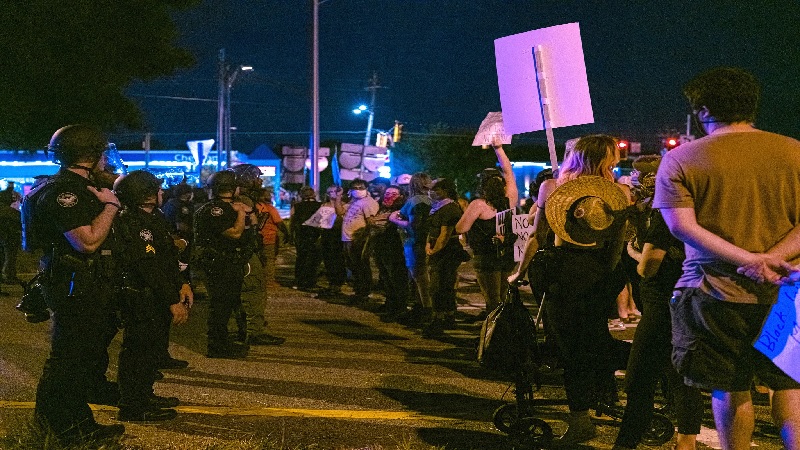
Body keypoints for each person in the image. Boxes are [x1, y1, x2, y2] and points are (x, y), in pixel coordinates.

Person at [654, 66, 800, 450]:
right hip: (787, 289)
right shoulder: (795, 151)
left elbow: (682, 227)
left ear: (703, 110)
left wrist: (749, 260)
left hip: (713, 290)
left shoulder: (681, 159)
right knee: (790, 385)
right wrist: (770, 259)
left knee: (731, 387)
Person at [508, 134, 631, 446]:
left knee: (570, 347)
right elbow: (616, 245)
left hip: (563, 273)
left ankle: (580, 419)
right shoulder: (619, 193)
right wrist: (607, 276)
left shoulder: (552, 187)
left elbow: (536, 236)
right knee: (594, 337)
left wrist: (520, 272)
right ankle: (609, 392)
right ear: (603, 160)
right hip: (601, 273)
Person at [24, 124, 125, 444]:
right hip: (73, 283)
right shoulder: (66, 192)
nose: (105, 160)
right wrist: (111, 205)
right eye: (101, 153)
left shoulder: (71, 186)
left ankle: (75, 422)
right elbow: (87, 241)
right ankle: (63, 429)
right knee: (69, 359)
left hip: (80, 282)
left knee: (80, 359)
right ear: (90, 155)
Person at [612, 157, 704, 450]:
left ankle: (627, 442)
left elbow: (648, 266)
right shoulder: (691, 209)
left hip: (661, 304)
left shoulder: (665, 213)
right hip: (687, 299)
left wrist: (633, 252)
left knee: (639, 377)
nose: (635, 184)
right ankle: (686, 441)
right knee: (680, 374)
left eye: (641, 179)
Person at [112, 171, 192, 422]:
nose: (161, 192)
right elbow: (148, 267)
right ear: (145, 194)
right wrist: (172, 300)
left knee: (150, 352)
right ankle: (133, 406)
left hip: (154, 296)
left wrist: (182, 284)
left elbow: (166, 257)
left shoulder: (154, 217)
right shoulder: (133, 222)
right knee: (138, 353)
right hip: (141, 296)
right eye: (157, 189)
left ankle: (144, 396)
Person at [456, 138, 519, 317]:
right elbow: (509, 173)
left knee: (492, 300)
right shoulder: (510, 200)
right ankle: (504, 327)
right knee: (503, 297)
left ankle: (495, 331)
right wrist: (498, 148)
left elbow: (460, 228)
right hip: (506, 256)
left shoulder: (478, 205)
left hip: (486, 257)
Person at [193, 170, 252, 358]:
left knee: (227, 304)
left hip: (228, 261)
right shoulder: (216, 210)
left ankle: (223, 342)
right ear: (233, 188)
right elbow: (234, 233)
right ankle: (217, 346)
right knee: (220, 306)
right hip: (219, 262)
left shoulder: (223, 207)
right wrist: (241, 213)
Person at [389, 172, 433, 326]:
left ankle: (423, 311)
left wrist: (393, 219)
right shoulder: (433, 200)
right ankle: (423, 309)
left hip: (415, 243)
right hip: (429, 242)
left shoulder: (414, 201)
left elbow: (414, 225)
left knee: (419, 279)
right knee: (426, 278)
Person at [424, 178, 465, 337]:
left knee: (439, 286)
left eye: (436, 189)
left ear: (446, 191)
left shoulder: (450, 209)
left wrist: (434, 251)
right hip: (438, 250)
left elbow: (445, 235)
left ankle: (440, 319)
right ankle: (447, 316)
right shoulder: (437, 207)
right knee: (443, 284)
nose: (432, 192)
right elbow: (432, 230)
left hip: (447, 252)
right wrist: (428, 244)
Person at [334, 178, 379, 304]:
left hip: (359, 239)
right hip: (348, 238)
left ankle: (364, 292)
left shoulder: (368, 202)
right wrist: (338, 197)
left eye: (361, 188)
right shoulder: (354, 202)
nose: (358, 190)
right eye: (355, 188)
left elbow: (371, 222)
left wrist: (365, 238)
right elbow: (340, 211)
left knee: (361, 265)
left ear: (366, 189)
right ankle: (359, 290)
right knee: (353, 265)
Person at [368, 185, 409, 321]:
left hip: (394, 247)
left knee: (396, 278)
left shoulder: (401, 210)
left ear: (401, 196)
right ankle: (390, 303)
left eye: (393, 194)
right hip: (381, 246)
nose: (389, 196)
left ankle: (399, 308)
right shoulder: (382, 208)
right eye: (387, 193)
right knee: (386, 276)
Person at [315, 185, 347, 299]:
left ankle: (338, 284)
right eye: (330, 192)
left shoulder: (344, 205)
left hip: (339, 235)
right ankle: (332, 283)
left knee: (338, 260)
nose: (332, 193)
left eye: (335, 191)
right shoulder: (324, 206)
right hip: (327, 235)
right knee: (328, 260)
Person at [290, 186, 322, 291]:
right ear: (314, 194)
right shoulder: (320, 206)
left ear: (301, 195)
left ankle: (299, 281)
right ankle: (311, 282)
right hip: (316, 235)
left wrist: (291, 235)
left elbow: (293, 222)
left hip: (301, 236)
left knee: (301, 258)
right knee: (314, 259)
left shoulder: (297, 206)